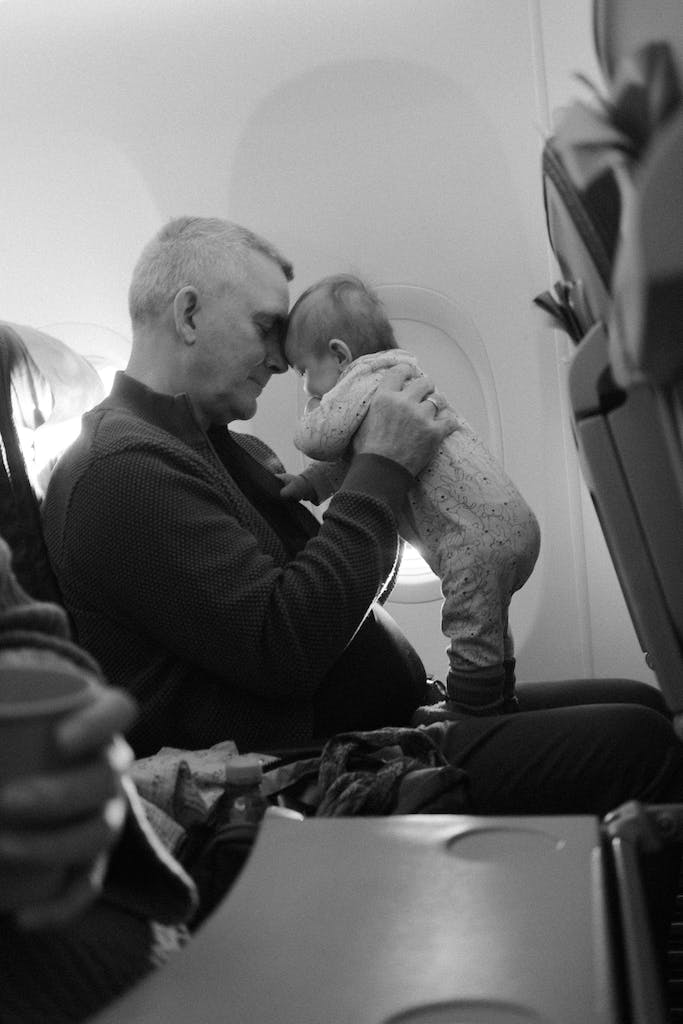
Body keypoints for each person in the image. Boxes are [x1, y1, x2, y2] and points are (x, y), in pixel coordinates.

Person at [41, 215, 683, 826]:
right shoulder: (124, 472)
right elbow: (285, 647)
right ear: (188, 314)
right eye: (266, 327)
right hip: (309, 770)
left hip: (382, 727)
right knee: (637, 745)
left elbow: (341, 587)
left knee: (639, 701)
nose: (278, 356)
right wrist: (382, 468)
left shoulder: (216, 446)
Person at [280, 273, 541, 716]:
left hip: (475, 539)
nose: (306, 385)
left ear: (340, 355)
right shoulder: (398, 380)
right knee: (489, 622)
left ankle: (470, 713)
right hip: (510, 525)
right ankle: (499, 699)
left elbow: (320, 439)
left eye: (305, 370)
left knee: (469, 623)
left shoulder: (366, 379)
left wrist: (311, 409)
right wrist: (310, 484)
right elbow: (352, 458)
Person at [0, 535, 196, 1024]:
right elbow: (285, 642)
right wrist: (377, 481)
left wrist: (56, 725)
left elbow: (20, 629)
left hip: (90, 914)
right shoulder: (133, 474)